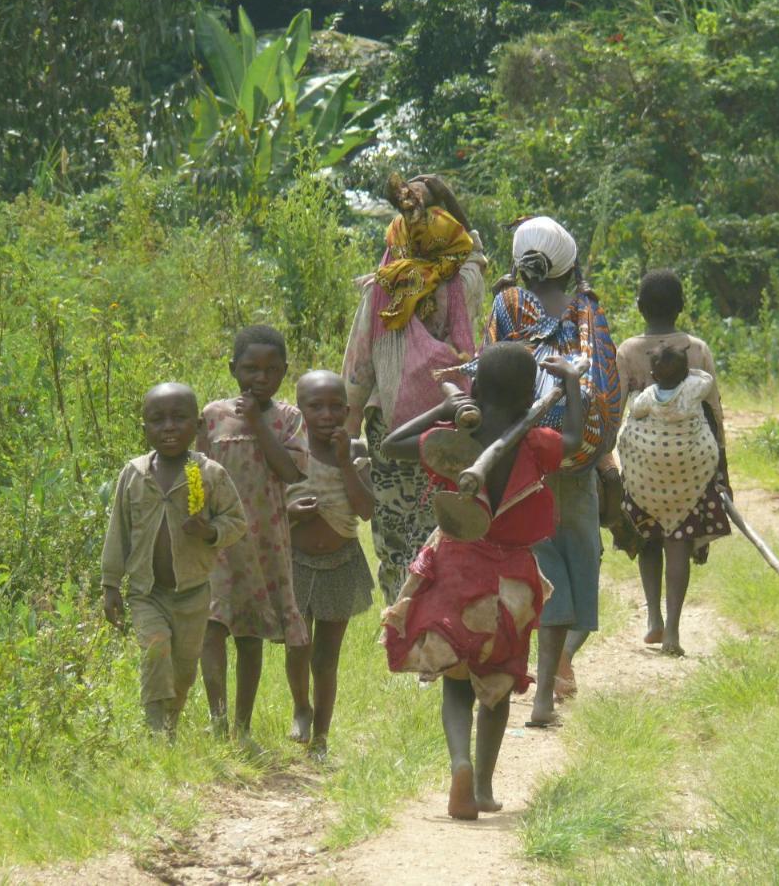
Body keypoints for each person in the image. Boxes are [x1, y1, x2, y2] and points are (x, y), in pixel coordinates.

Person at [380, 343, 584, 819]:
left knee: (456, 684)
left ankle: (460, 764)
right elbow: (575, 438)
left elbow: (391, 446)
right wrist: (570, 383)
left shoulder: (454, 442)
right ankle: (485, 788)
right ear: (529, 396)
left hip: (456, 568)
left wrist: (445, 408)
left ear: (476, 388)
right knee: (495, 684)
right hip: (511, 580)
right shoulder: (536, 443)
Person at [477, 216, 621, 726]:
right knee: (579, 563)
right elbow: (608, 382)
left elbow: (488, 366)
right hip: (574, 455)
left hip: (526, 456)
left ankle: (539, 684)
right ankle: (549, 688)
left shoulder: (509, 305)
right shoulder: (588, 309)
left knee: (542, 570)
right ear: (568, 261)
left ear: (521, 261)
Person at [342, 175, 488, 603]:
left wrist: (349, 434)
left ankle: (401, 619)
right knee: (441, 526)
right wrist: (448, 195)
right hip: (451, 423)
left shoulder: (382, 286)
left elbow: (358, 367)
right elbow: (475, 254)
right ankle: (440, 617)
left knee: (393, 529)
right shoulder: (464, 285)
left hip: (389, 429)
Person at [101, 382, 247, 735]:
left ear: (197, 427)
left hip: (193, 592)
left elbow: (237, 522)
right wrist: (110, 585)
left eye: (178, 419)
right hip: (146, 592)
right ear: (145, 429)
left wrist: (210, 531)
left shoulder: (209, 474)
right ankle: (156, 733)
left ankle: (170, 722)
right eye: (157, 420)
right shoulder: (134, 475)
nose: (168, 427)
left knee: (183, 670)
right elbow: (118, 531)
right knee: (155, 650)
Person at [197, 326, 309, 745]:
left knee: (251, 631)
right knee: (213, 624)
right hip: (219, 542)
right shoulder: (211, 416)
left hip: (265, 544)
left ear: (284, 373)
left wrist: (257, 425)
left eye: (271, 370)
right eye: (250, 369)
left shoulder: (288, 418)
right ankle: (217, 719)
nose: (259, 378)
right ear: (232, 369)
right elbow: (198, 473)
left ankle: (242, 727)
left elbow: (291, 471)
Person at [613, 269, 731, 650]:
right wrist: (721, 467)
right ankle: (675, 631)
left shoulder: (629, 351)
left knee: (649, 538)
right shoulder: (696, 349)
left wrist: (609, 464)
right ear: (682, 306)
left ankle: (653, 617)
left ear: (639, 307)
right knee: (678, 539)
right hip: (688, 467)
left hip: (645, 468)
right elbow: (714, 411)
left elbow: (616, 411)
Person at [284, 370, 375, 761]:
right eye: (315, 406)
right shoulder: (290, 450)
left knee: (327, 656)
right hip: (296, 562)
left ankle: (321, 736)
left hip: (341, 563)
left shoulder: (355, 452)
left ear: (348, 410)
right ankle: (300, 707)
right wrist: (289, 512)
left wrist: (345, 463)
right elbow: (272, 507)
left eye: (335, 407)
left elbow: (366, 510)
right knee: (297, 645)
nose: (326, 415)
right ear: (299, 409)